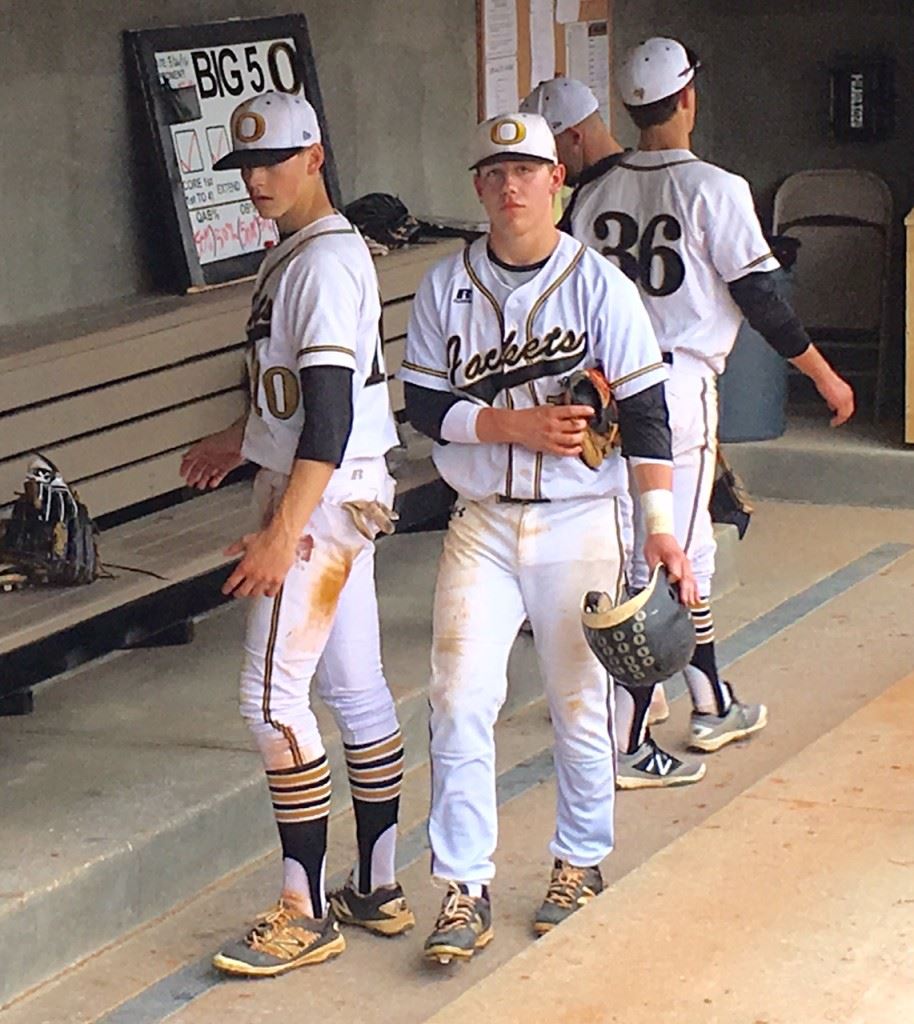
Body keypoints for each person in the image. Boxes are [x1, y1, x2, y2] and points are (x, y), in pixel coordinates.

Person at [398, 111, 697, 963]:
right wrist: (510, 425)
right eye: (495, 171)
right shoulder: (442, 286)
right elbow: (422, 405)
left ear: (555, 180)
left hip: (580, 520)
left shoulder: (600, 285)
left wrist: (663, 533)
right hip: (482, 521)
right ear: (479, 186)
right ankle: (462, 888)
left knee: (579, 702)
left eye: (527, 169)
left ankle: (580, 861)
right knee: (458, 697)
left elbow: (645, 415)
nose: (512, 185)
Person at [540, 41, 855, 789]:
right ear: (688, 100)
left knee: (685, 557)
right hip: (675, 392)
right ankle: (626, 743)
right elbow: (763, 303)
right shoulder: (715, 187)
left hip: (604, 392)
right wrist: (826, 376)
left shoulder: (591, 195)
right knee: (662, 567)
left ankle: (710, 698)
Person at [179, 90, 414, 977]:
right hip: (342, 490)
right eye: (245, 165)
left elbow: (325, 418)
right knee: (355, 693)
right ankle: (378, 886)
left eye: (274, 160)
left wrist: (282, 531)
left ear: (316, 155)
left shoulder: (319, 263)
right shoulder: (309, 252)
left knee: (271, 703)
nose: (257, 178)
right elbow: (303, 404)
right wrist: (239, 441)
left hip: (318, 499)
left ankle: (301, 909)